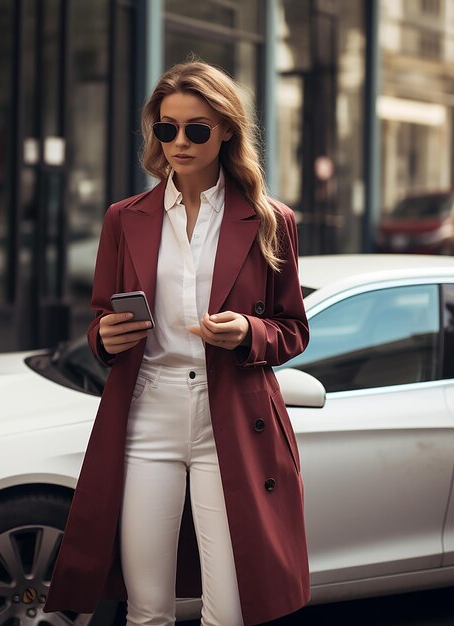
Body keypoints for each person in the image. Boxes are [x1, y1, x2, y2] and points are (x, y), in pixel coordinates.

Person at [44, 60, 310, 626]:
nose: (179, 142)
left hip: (229, 418)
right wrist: (104, 335)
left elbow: (293, 330)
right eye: (166, 129)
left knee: (229, 609)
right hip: (147, 412)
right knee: (146, 608)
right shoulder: (125, 219)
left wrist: (247, 332)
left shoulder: (270, 222)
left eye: (196, 129)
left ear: (227, 131)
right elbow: (100, 317)